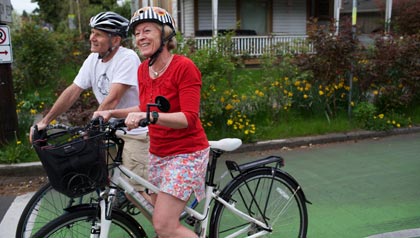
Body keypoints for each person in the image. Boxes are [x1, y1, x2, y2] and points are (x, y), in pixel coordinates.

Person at [93, 6, 209, 238]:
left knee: (165, 226)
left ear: (165, 35)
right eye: (136, 33)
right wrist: (113, 113)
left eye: (147, 30)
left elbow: (189, 117)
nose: (140, 37)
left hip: (186, 153)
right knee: (157, 212)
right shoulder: (143, 70)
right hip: (158, 152)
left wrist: (150, 117)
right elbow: (145, 107)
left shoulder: (183, 67)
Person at [30, 11, 150, 195]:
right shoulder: (93, 58)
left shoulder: (127, 58)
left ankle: (163, 223)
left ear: (116, 40)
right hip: (111, 130)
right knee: (96, 177)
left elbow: (113, 99)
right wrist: (45, 121)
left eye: (98, 34)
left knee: (136, 192)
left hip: (135, 133)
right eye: (92, 32)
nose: (92, 37)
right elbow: (73, 91)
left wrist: (91, 127)